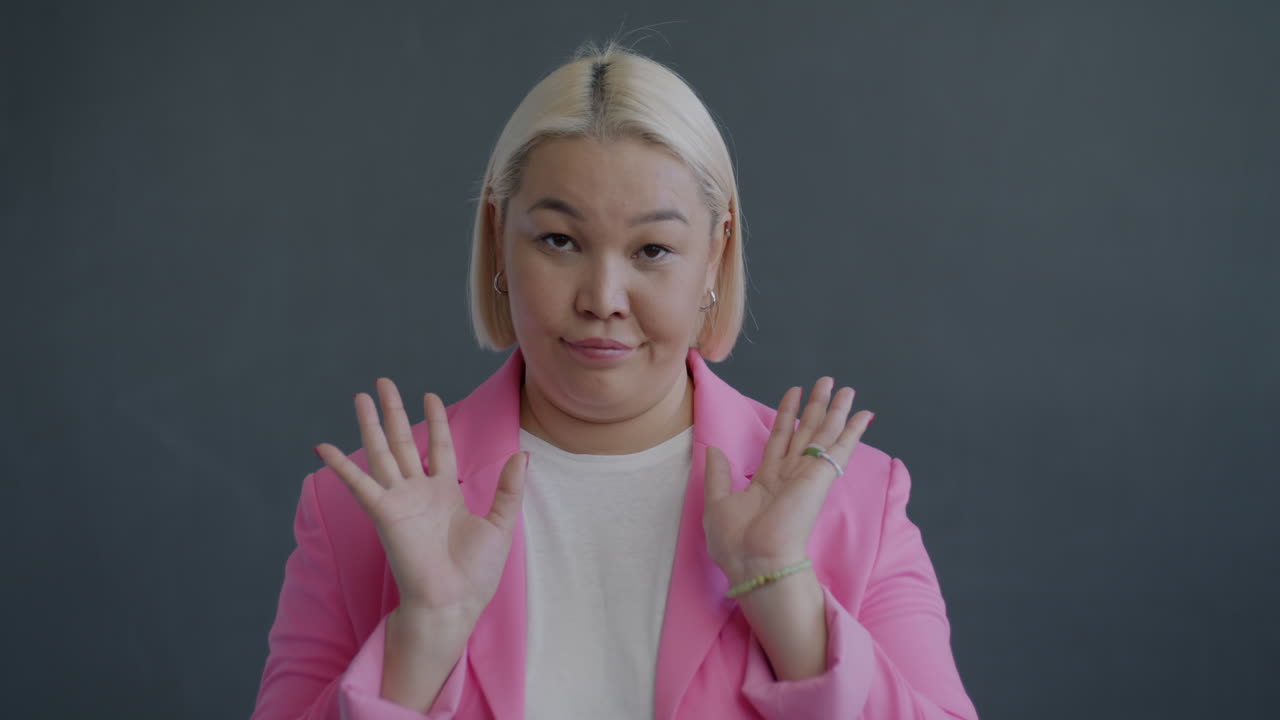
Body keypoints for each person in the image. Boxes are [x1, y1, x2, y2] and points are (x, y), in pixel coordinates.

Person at [252, 40, 979, 720]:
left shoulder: (856, 503)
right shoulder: (357, 510)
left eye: (653, 249)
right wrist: (423, 636)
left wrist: (781, 591)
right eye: (559, 241)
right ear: (499, 240)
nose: (602, 295)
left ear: (714, 256)